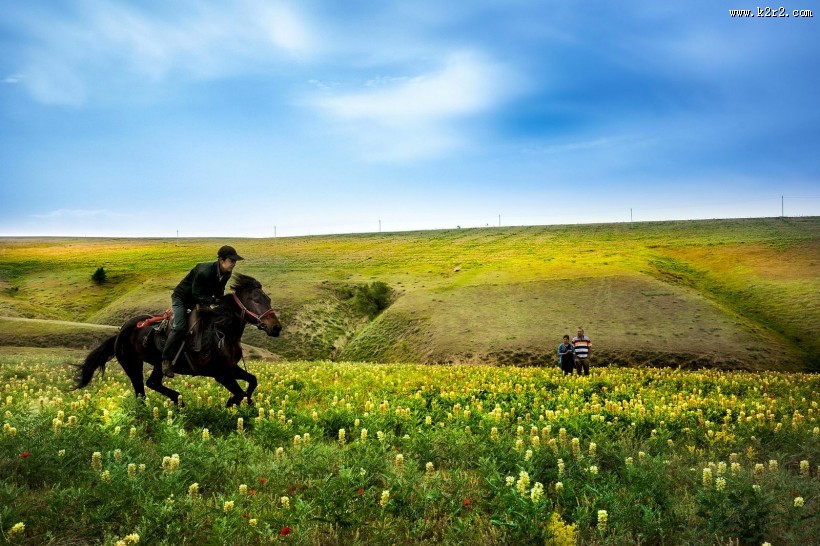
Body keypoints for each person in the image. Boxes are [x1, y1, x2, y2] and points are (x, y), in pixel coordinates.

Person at [161, 245, 244, 377]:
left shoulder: (227, 273)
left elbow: (219, 291)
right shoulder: (204, 271)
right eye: (231, 260)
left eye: (235, 261)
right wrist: (213, 301)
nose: (234, 264)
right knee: (180, 326)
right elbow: (196, 294)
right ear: (222, 260)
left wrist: (221, 302)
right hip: (182, 299)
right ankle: (166, 360)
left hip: (199, 300)